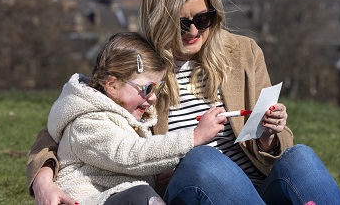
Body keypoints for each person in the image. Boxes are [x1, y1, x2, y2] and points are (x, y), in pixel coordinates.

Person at [27, 0, 340, 205]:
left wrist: (269, 138)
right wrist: (43, 180)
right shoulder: (138, 65)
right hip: (192, 190)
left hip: (257, 186)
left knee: (300, 156)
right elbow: (69, 121)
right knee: (203, 159)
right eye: (183, 24)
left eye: (203, 19)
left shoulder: (244, 53)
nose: (195, 32)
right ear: (160, 19)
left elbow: (277, 147)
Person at [45, 32, 225, 205]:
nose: (153, 98)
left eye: (158, 89)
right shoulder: (87, 123)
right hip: (91, 201)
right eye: (147, 89)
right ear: (112, 85)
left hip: (120, 197)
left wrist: (158, 176)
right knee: (142, 196)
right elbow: (129, 154)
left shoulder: (130, 120)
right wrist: (193, 136)